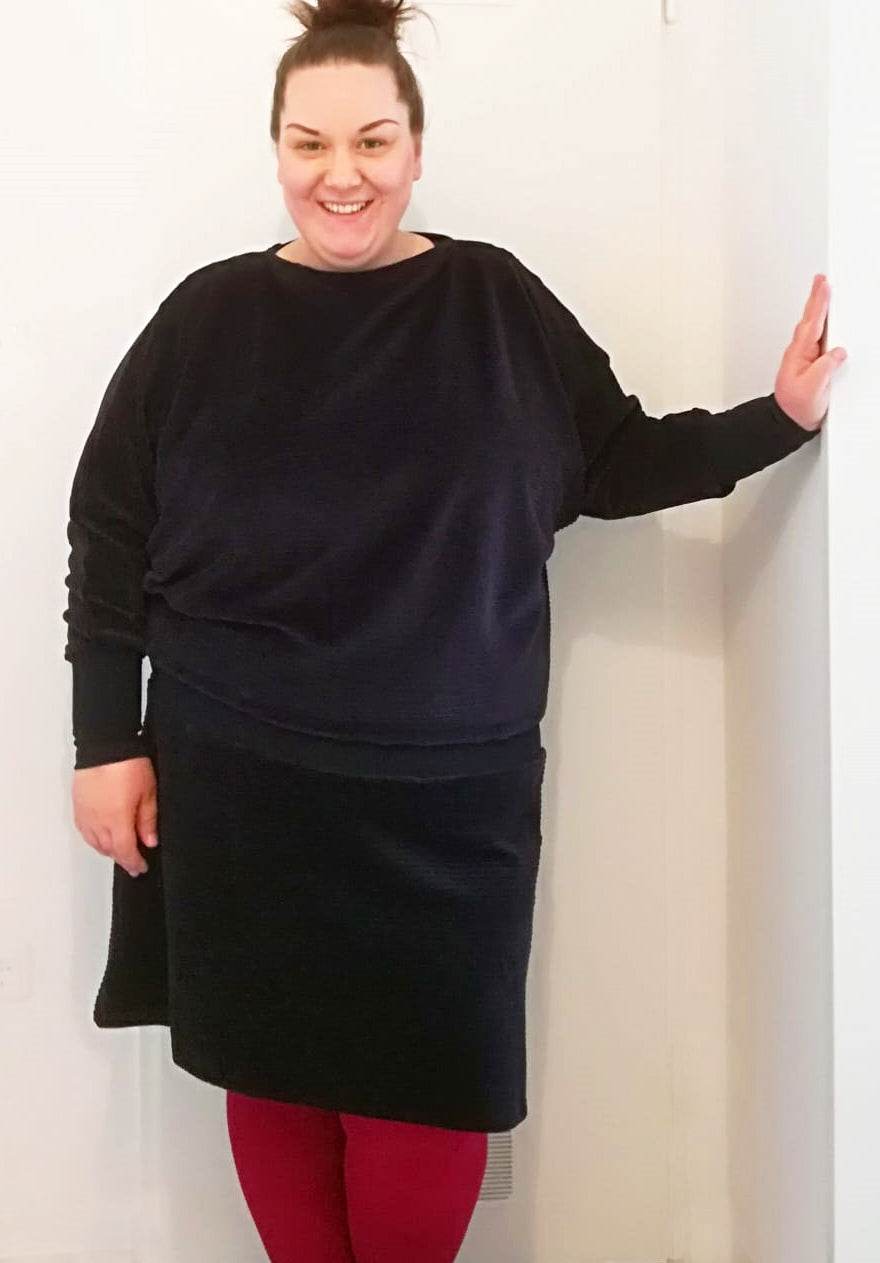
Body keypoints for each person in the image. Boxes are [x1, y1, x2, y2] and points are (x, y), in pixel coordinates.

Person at [63, 1, 846, 1259]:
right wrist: (107, 741)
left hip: (447, 798)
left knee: (429, 1088)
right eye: (310, 143)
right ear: (276, 151)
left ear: (416, 148)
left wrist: (780, 418)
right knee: (271, 1070)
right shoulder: (203, 320)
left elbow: (612, 458)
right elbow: (108, 528)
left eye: (372, 140)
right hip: (240, 778)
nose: (342, 174)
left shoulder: (494, 303)